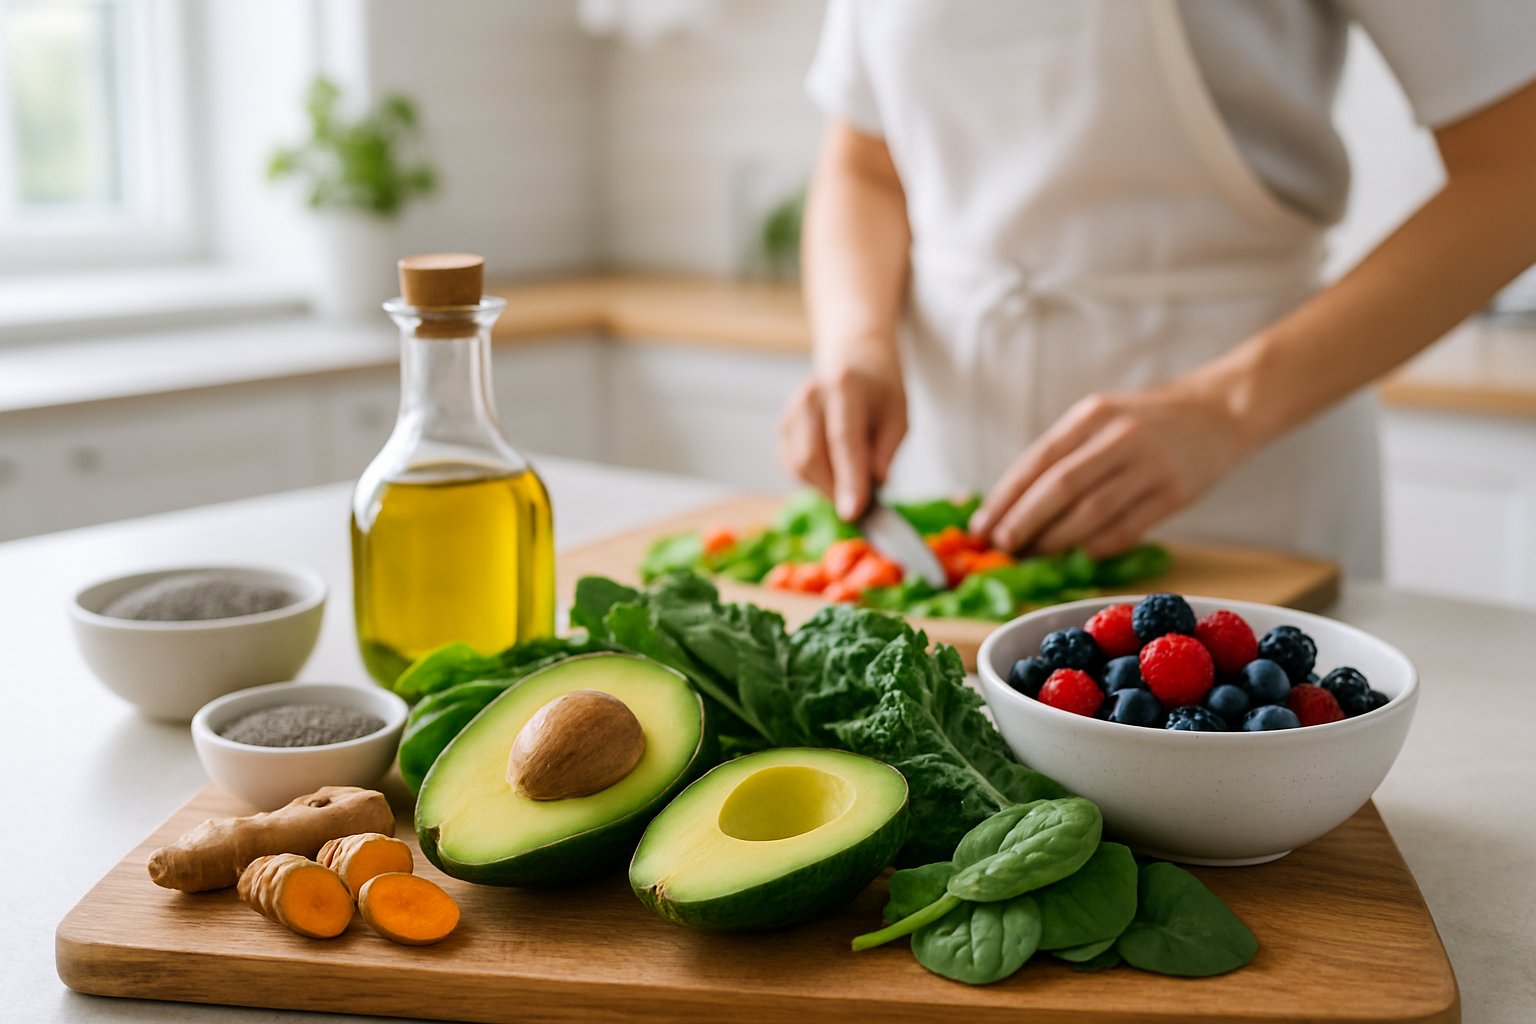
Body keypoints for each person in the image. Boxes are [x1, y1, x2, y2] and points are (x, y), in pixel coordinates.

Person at [777, 1, 1536, 576]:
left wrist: (1227, 408)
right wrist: (859, 342)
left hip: (1246, 480)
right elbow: (864, 165)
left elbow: (1518, 171)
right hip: (944, 463)